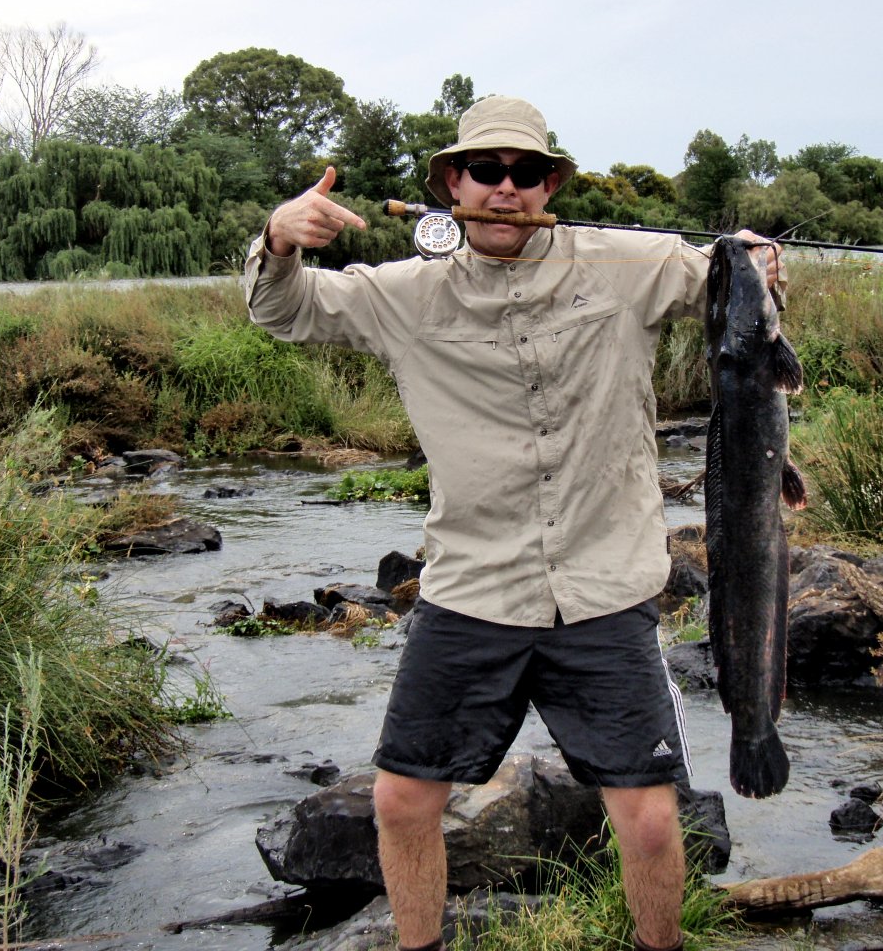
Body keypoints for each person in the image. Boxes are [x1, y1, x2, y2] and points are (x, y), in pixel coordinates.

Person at [243, 95, 781, 951]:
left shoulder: (626, 264)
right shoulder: (402, 295)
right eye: (485, 170)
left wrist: (753, 259)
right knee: (401, 801)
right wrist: (278, 239)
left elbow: (727, 283)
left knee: (649, 821)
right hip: (473, 591)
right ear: (452, 184)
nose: (505, 188)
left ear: (549, 186)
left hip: (605, 590)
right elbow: (285, 309)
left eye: (525, 172)